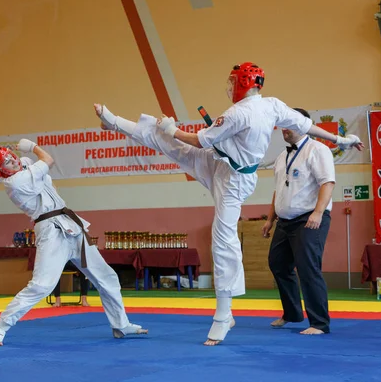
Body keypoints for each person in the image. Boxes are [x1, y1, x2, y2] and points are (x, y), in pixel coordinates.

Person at [94, 61, 363, 345]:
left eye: (232, 82)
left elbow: (198, 140)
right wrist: (341, 140)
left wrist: (173, 129)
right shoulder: (272, 105)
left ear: (243, 84)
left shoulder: (238, 113)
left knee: (222, 239)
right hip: (220, 162)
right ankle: (115, 123)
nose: (230, 87)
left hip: (234, 181)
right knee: (168, 144)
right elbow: (309, 126)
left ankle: (224, 315)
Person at [0, 139, 147, 346]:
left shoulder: (24, 164)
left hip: (70, 223)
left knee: (107, 276)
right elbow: (48, 159)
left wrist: (19, 153)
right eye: (5, 162)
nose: (12, 160)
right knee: (42, 285)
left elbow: (36, 169)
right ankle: (0, 327)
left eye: (10, 156)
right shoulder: (15, 183)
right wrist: (33, 146)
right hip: (51, 231)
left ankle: (121, 325)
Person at [262, 108, 334, 335]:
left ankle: (319, 323)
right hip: (285, 220)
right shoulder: (282, 156)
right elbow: (279, 190)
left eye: (289, 124)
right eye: (282, 124)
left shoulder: (318, 150)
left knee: (308, 268)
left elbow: (328, 183)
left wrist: (318, 213)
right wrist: (270, 219)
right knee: (278, 264)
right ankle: (292, 313)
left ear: (303, 125)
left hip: (309, 218)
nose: (284, 129)